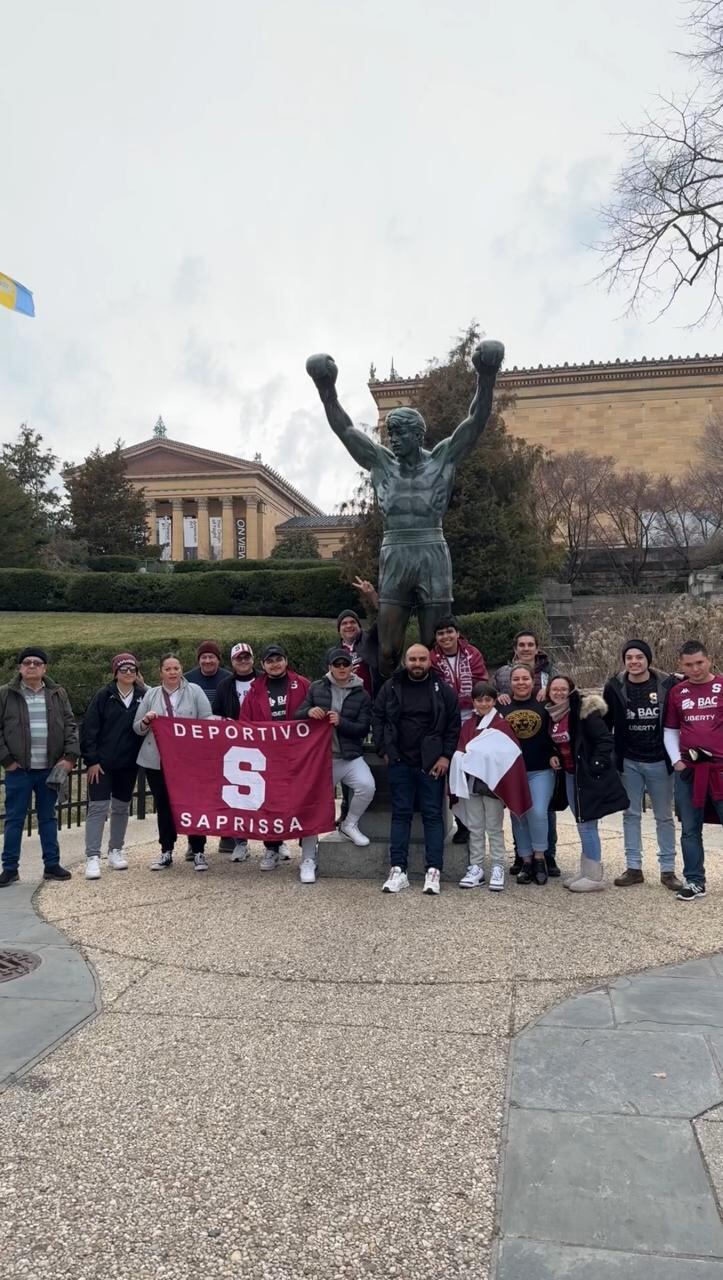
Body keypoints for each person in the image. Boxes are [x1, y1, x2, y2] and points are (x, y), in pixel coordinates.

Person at [307, 340, 504, 673]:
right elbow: (345, 429)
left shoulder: (442, 459)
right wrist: (326, 388)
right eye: (390, 434)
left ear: (418, 435)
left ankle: (436, 699)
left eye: (399, 434)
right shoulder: (380, 463)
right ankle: (388, 700)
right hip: (395, 550)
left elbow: (476, 420)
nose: (393, 440)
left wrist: (486, 376)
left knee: (435, 647)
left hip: (432, 550)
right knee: (387, 650)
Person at [372, 643, 460, 895]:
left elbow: (453, 725)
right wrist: (384, 749)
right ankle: (398, 869)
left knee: (433, 815)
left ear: (430, 661)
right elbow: (377, 717)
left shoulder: (443, 690)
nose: (418, 663)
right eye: (413, 659)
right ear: (405, 661)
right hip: (399, 761)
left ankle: (434, 870)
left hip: (431, 764)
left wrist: (445, 756)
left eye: (422, 659)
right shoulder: (390, 687)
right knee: (401, 814)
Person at [603, 640, 680, 891]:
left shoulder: (668, 684)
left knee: (664, 817)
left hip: (659, 760)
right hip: (629, 761)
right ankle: (633, 867)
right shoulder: (614, 686)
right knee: (630, 814)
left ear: (648, 659)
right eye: (629, 658)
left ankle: (668, 870)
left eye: (639, 657)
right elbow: (606, 722)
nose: (634, 662)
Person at [294, 648, 375, 883]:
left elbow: (363, 728)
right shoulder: (316, 688)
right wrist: (309, 711)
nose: (341, 668)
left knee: (367, 786)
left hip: (348, 756)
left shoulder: (362, 694)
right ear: (329, 667)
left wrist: (342, 722)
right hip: (321, 759)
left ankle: (349, 824)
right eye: (337, 664)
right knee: (312, 807)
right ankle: (308, 858)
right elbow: (297, 715)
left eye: (345, 664)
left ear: (351, 667)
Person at [0, 647, 79, 888]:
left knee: (48, 818)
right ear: (20, 668)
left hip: (49, 768)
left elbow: (70, 725)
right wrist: (7, 761)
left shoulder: (57, 693)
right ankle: (9, 869)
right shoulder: (5, 694)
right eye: (27, 663)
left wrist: (70, 757)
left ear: (44, 668)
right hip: (18, 770)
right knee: (14, 820)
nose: (32, 666)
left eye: (37, 663)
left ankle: (52, 865)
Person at [547, 675, 629, 892]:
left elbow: (605, 740)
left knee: (587, 824)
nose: (558, 693)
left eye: (563, 689)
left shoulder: (583, 711)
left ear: (571, 690)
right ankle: (586, 870)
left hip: (587, 775)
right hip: (569, 775)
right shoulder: (552, 713)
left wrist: (595, 764)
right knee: (581, 821)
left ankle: (594, 876)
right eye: (554, 689)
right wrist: (553, 754)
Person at [134, 654, 213, 871]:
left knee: (193, 803)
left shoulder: (194, 691)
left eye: (176, 668)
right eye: (168, 669)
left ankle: (198, 850)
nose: (172, 672)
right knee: (164, 805)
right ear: (160, 672)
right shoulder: (152, 694)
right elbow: (137, 727)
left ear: (181, 670)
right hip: (158, 760)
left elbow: (206, 720)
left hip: (189, 760)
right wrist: (147, 720)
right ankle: (166, 850)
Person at [450, 682, 531, 892]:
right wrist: (465, 756)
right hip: (471, 784)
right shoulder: (468, 725)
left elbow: (509, 754)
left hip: (493, 786)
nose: (483, 704)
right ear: (473, 702)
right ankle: (476, 867)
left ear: (494, 701)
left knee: (494, 828)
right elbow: (462, 749)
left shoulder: (501, 725)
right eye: (479, 700)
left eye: (487, 700)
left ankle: (497, 866)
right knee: (475, 827)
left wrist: (476, 754)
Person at [240, 644, 310, 870]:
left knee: (303, 799)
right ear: (262, 665)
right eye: (269, 661)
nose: (275, 664)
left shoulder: (303, 684)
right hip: (268, 756)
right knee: (270, 802)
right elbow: (245, 723)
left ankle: (308, 849)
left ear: (286, 661)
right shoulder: (255, 690)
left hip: (298, 754)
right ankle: (272, 847)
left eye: (278, 659)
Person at [663, 639, 723, 902]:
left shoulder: (721, 687)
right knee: (689, 828)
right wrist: (676, 760)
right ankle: (695, 881)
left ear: (709, 660)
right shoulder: (678, 692)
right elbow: (671, 730)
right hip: (689, 771)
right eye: (689, 665)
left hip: (720, 769)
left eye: (700, 662)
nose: (695, 669)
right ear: (681, 665)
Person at [495, 631, 560, 875]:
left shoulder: (546, 696)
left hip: (540, 768)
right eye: (516, 679)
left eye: (525, 679)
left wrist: (555, 752)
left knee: (540, 812)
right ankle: (525, 859)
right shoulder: (501, 703)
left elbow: (560, 723)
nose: (521, 683)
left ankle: (544, 856)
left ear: (533, 681)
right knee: (518, 814)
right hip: (514, 770)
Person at [80, 653, 146, 881]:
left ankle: (116, 849)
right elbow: (89, 729)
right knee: (98, 808)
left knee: (121, 808)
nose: (128, 673)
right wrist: (92, 761)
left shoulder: (143, 695)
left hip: (128, 764)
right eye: (123, 669)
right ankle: (92, 856)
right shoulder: (104, 696)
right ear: (115, 672)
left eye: (132, 669)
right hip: (102, 764)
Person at [430, 614, 489, 846]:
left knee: (473, 772)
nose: (446, 636)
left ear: (457, 633)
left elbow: (481, 682)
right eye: (440, 633)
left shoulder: (472, 653)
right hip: (446, 720)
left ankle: (478, 823)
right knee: (454, 772)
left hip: (472, 717)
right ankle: (462, 824)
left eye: (449, 631)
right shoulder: (432, 657)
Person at [211, 642, 259, 862]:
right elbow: (216, 715)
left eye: (247, 657)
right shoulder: (224, 686)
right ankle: (240, 842)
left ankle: (276, 843)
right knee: (239, 795)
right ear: (232, 661)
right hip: (236, 746)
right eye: (239, 658)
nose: (243, 661)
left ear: (252, 659)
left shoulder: (264, 681)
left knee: (270, 793)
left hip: (264, 743)